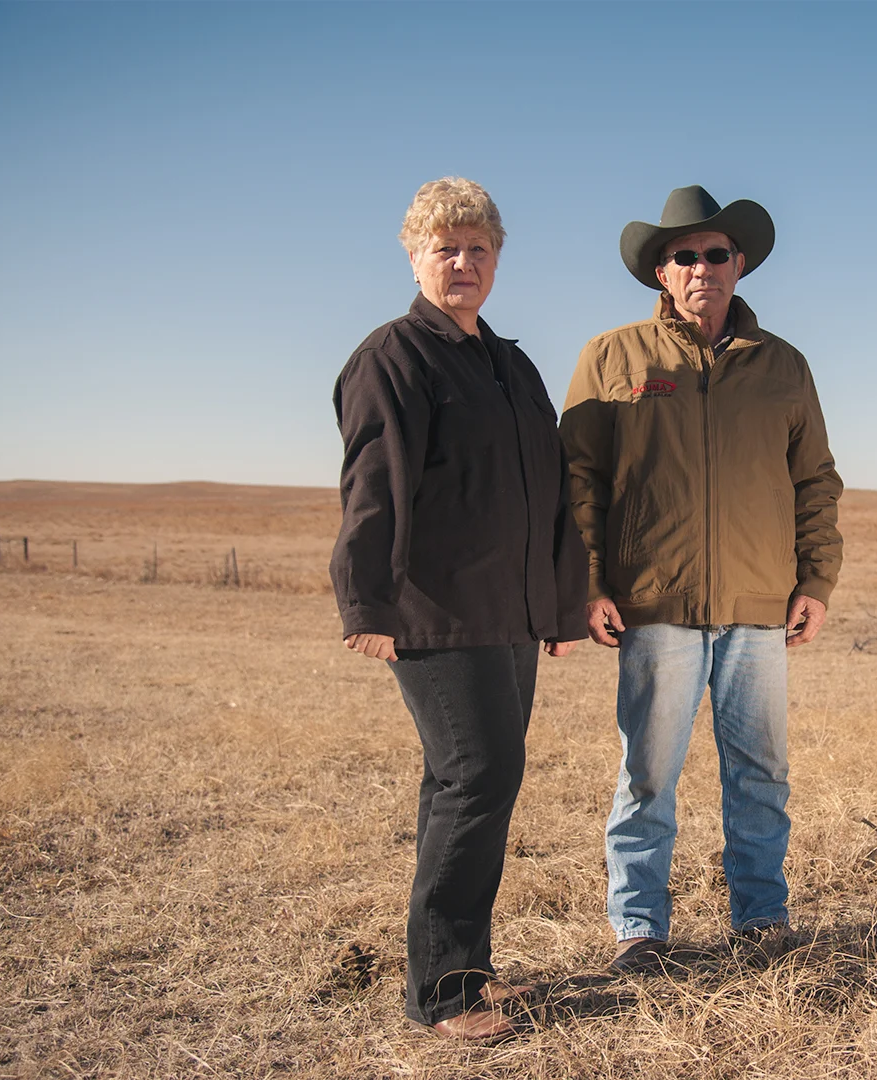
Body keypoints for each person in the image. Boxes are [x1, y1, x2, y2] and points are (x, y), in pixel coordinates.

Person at [559, 185, 843, 971]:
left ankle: (761, 924)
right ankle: (640, 931)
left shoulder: (782, 366)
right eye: (682, 255)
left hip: (760, 608)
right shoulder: (611, 358)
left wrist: (814, 581)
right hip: (656, 606)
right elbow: (578, 481)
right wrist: (590, 582)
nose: (700, 267)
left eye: (715, 253)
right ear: (660, 271)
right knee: (646, 776)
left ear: (739, 263)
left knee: (759, 776)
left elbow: (815, 480)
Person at [330, 177, 587, 1040]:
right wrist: (366, 600)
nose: (464, 263)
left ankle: (463, 969)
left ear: (497, 259)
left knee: (466, 784)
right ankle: (443, 995)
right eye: (446, 248)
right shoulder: (392, 356)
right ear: (414, 255)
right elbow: (372, 485)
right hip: (435, 614)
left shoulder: (510, 364)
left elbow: (548, 491)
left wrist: (557, 608)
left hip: (508, 614)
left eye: (479, 249)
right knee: (478, 779)